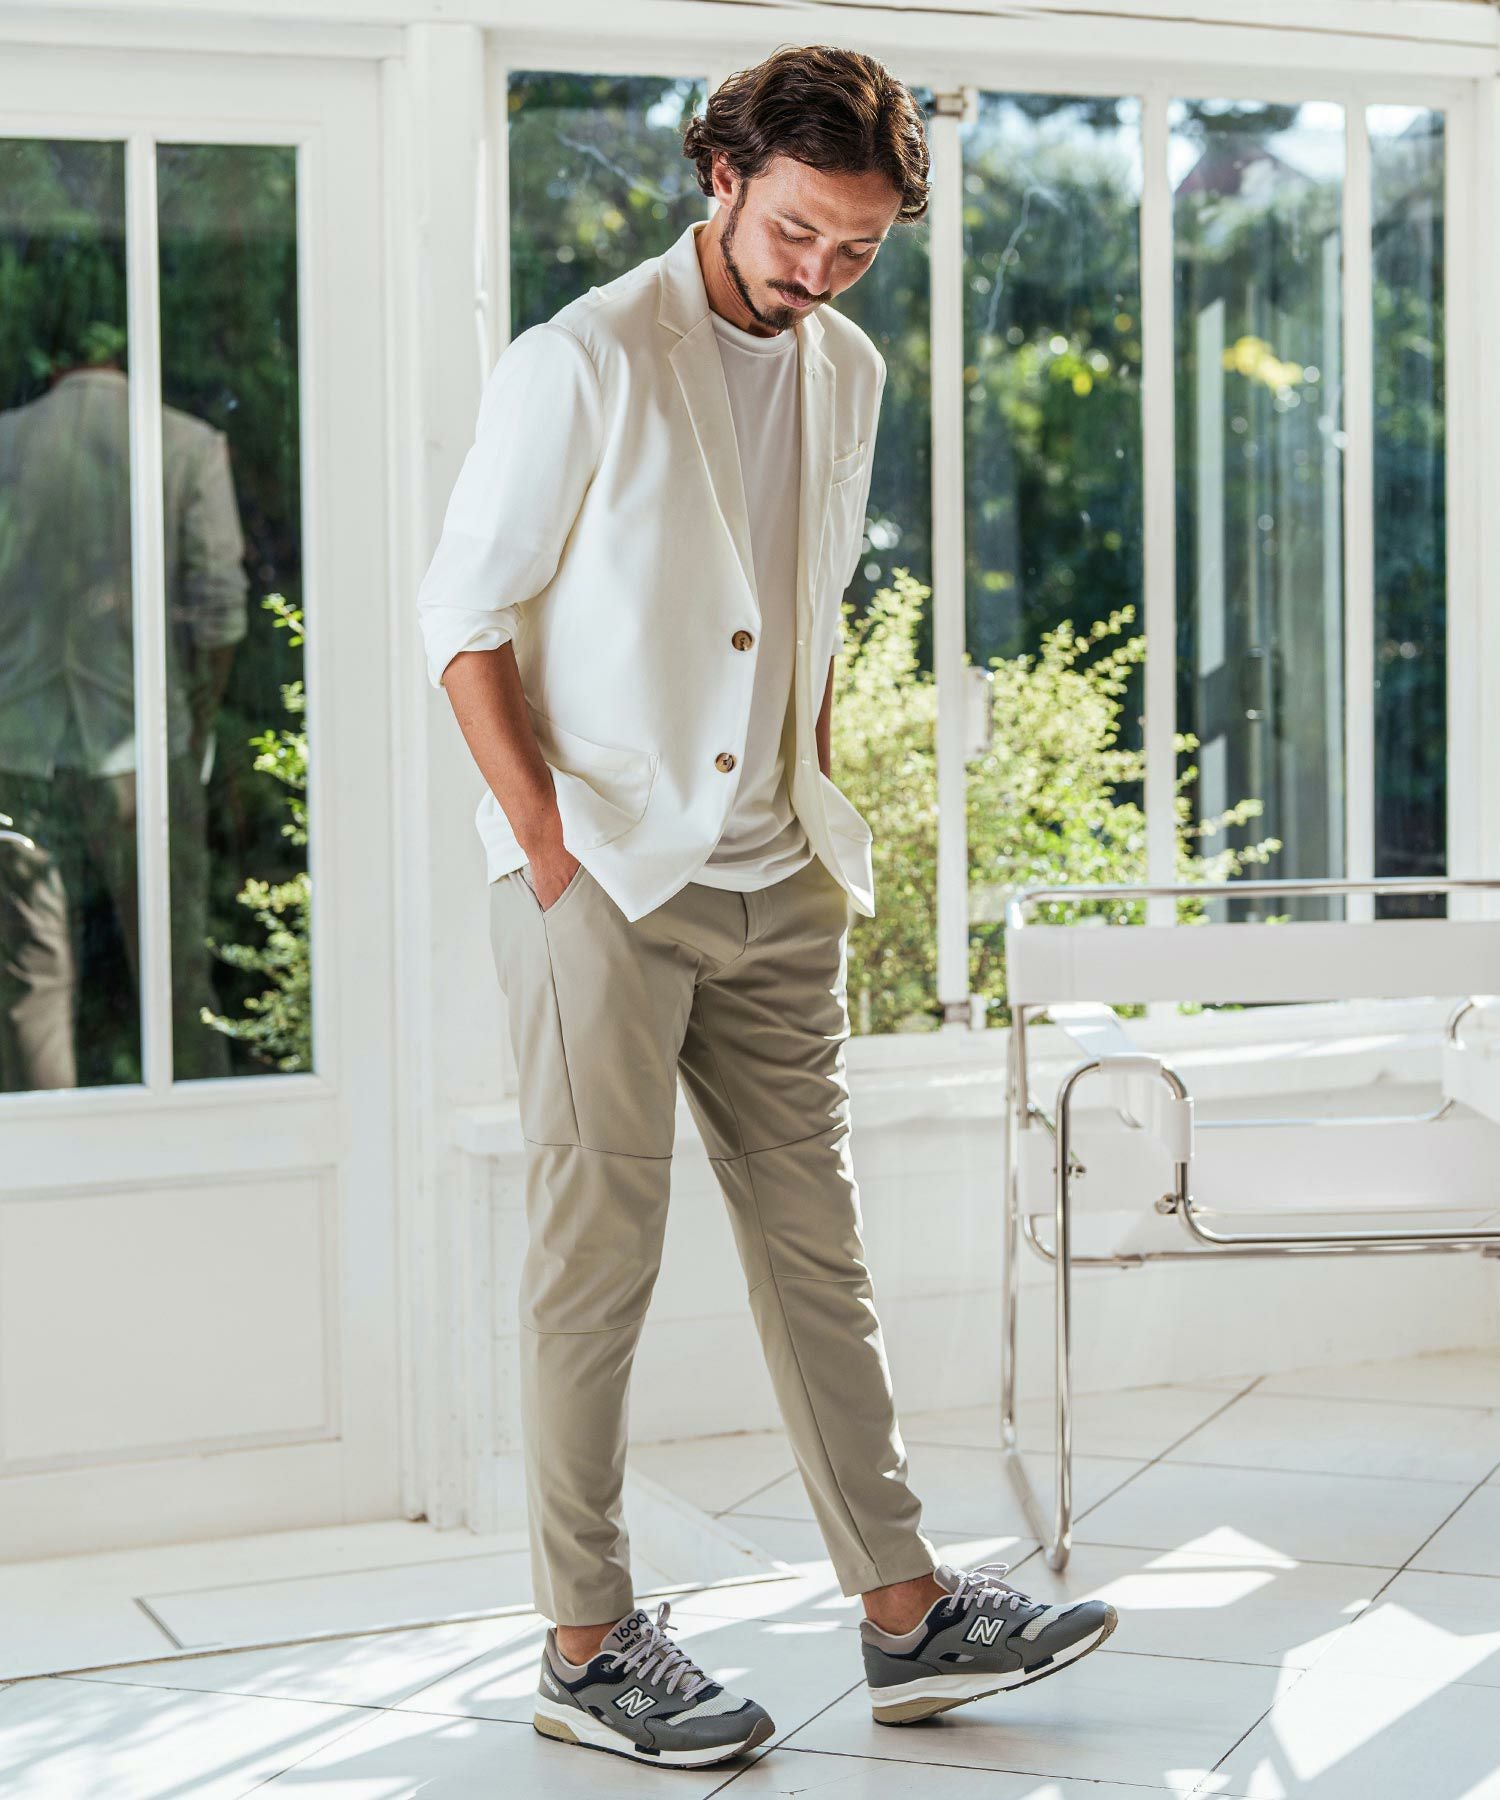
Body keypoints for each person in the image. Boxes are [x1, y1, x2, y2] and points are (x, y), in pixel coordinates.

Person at [415, 43, 1116, 1772]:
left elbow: (797, 603)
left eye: (858, 247)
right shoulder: (583, 357)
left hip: (776, 880)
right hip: (605, 885)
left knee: (821, 1252)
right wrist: (547, 849)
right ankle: (586, 1644)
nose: (820, 271)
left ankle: (906, 1612)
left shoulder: (847, 365)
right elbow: (462, 618)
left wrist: (804, 796)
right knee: (598, 1263)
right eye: (799, 230)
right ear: (720, 176)